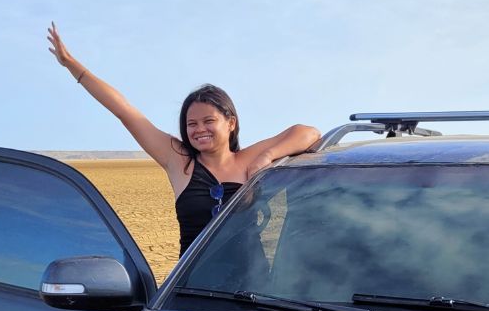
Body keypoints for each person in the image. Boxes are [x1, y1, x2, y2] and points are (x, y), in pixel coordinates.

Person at [46, 22, 321, 256]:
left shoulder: (248, 159)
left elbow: (308, 133)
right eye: (191, 124)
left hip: (248, 290)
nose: (199, 129)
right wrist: (72, 65)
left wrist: (265, 157)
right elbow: (125, 111)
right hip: (192, 292)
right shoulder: (179, 162)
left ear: (231, 123)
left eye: (208, 121)